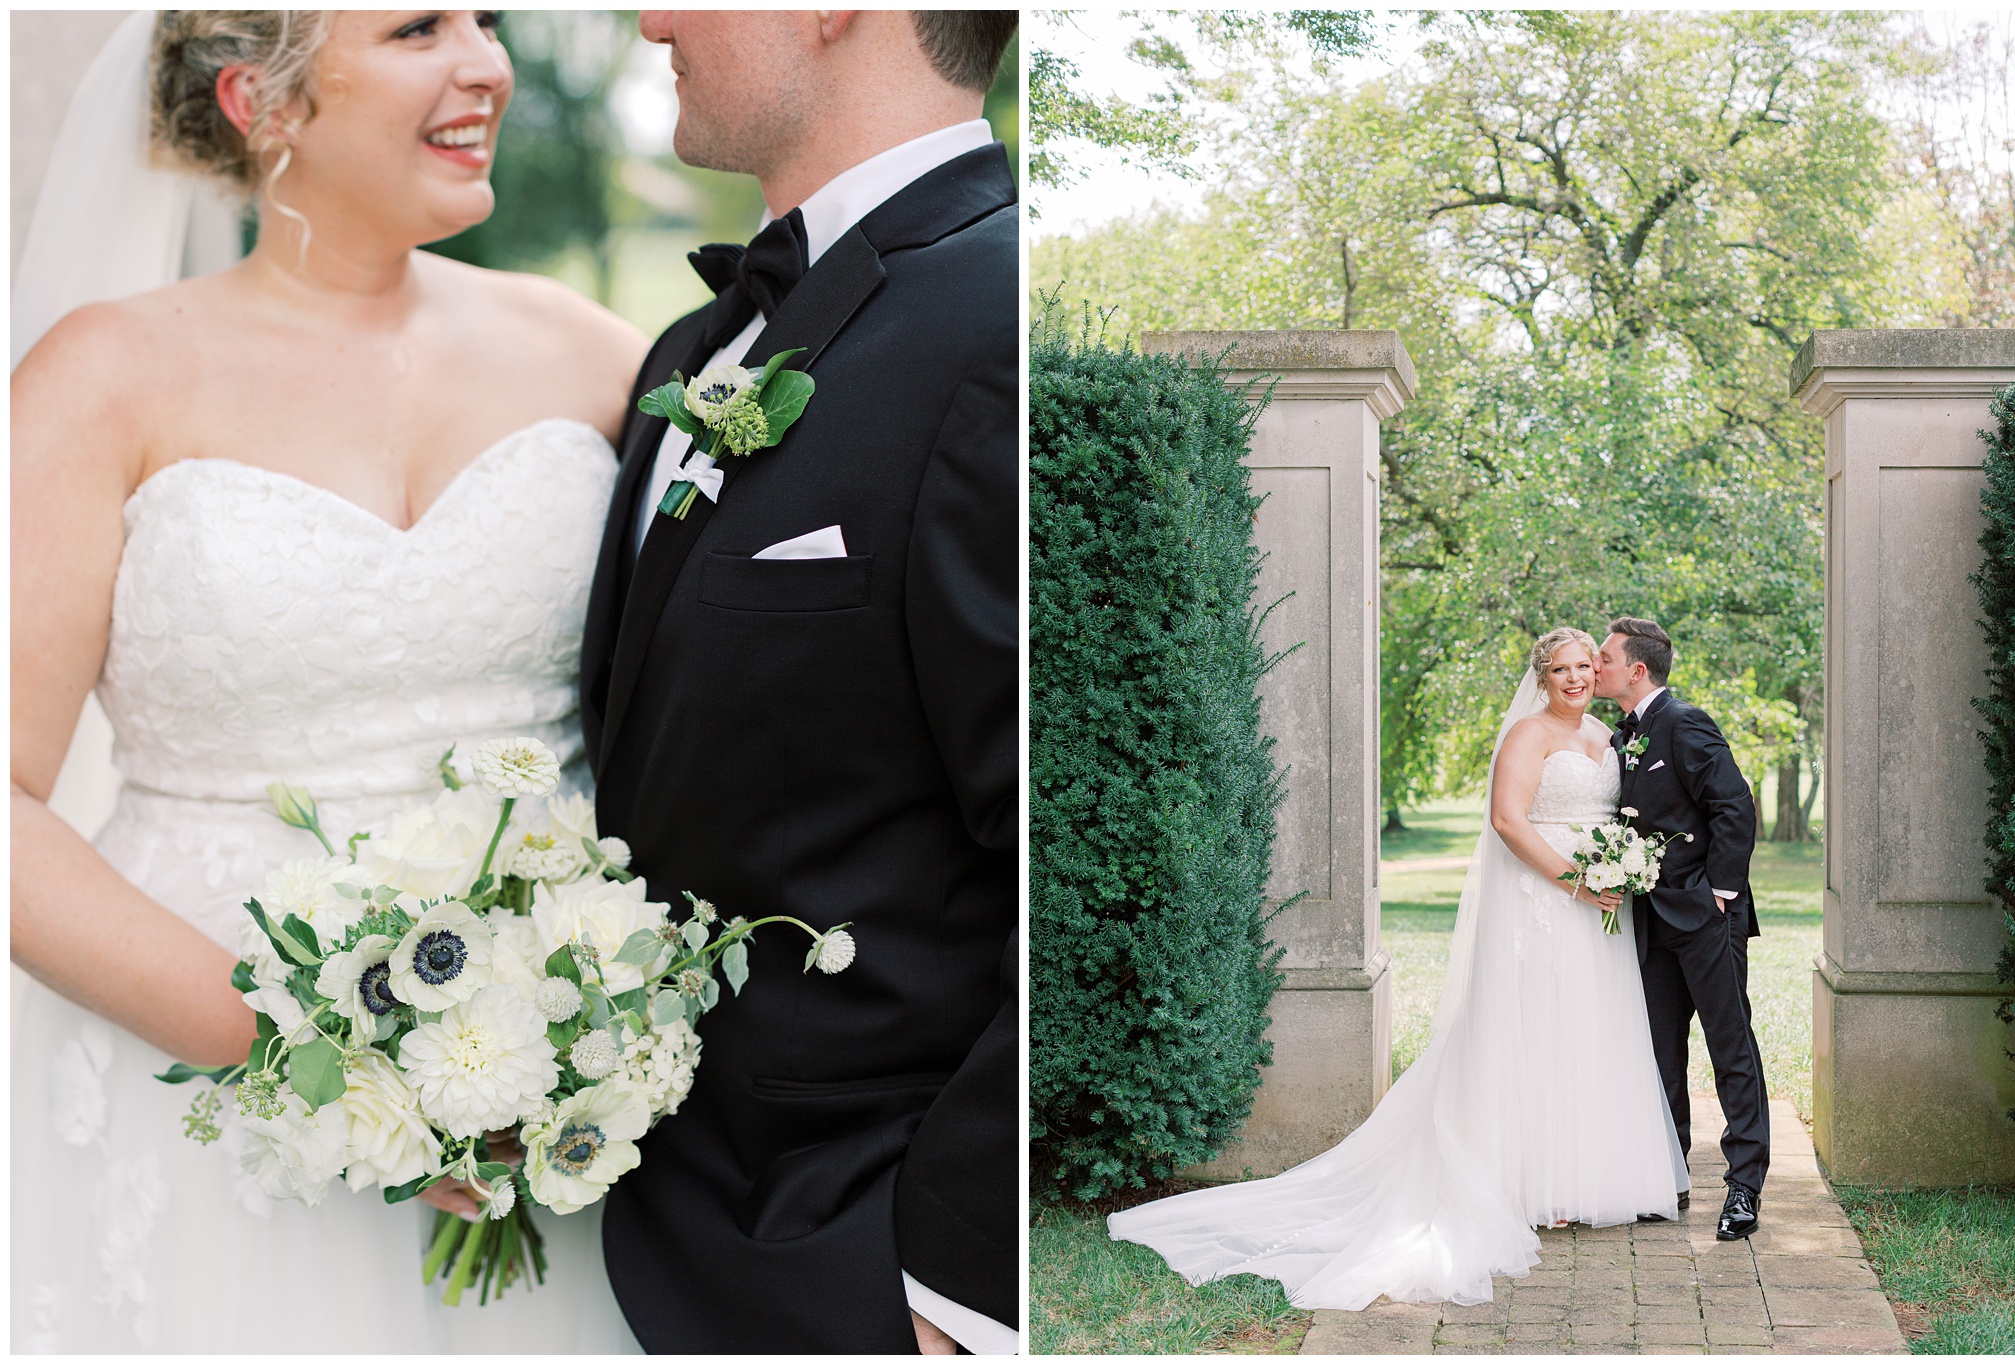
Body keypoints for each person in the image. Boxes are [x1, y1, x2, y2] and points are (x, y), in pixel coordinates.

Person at [11, 10, 647, 1351]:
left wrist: (579, 1030)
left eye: (482, 21)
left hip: (553, 1093)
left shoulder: (596, 357)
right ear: (263, 101)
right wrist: (320, 1060)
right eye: (420, 27)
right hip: (204, 1091)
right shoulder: (101, 379)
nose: (487, 63)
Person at [582, 10, 1019, 1355]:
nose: (652, 18)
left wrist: (954, 1290)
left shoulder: (1000, 319)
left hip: (851, 1271)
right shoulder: (685, 354)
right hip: (634, 1237)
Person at [1108, 628, 1686, 1309]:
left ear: (1599, 671)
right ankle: (1529, 1182)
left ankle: (1585, 1178)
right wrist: (1576, 881)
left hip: (1599, 911)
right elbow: (1507, 820)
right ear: (1542, 675)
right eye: (1560, 668)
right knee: (1535, 1030)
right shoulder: (1528, 736)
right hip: (1548, 902)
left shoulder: (1606, 734)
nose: (1574, 678)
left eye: (1585, 666)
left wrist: (1618, 867)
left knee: (1586, 1031)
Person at [1593, 616, 1767, 1240]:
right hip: (1650, 918)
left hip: (1705, 915)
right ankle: (1670, 1174)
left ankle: (1743, 1186)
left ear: (1637, 670)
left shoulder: (1685, 722)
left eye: (1605, 657)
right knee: (1661, 1052)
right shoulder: (1624, 733)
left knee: (1731, 1049)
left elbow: (1733, 804)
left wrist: (1720, 893)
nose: (1596, 665)